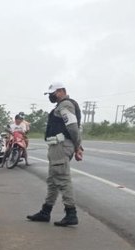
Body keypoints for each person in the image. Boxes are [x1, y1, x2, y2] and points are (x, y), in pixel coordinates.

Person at [26, 82, 83, 226]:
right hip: (56, 146)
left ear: (61, 91)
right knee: (52, 181)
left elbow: (73, 127)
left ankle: (71, 213)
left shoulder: (65, 106)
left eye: (53, 93)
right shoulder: (60, 106)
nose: (51, 96)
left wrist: (78, 146)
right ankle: (46, 211)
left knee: (63, 179)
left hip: (61, 146)